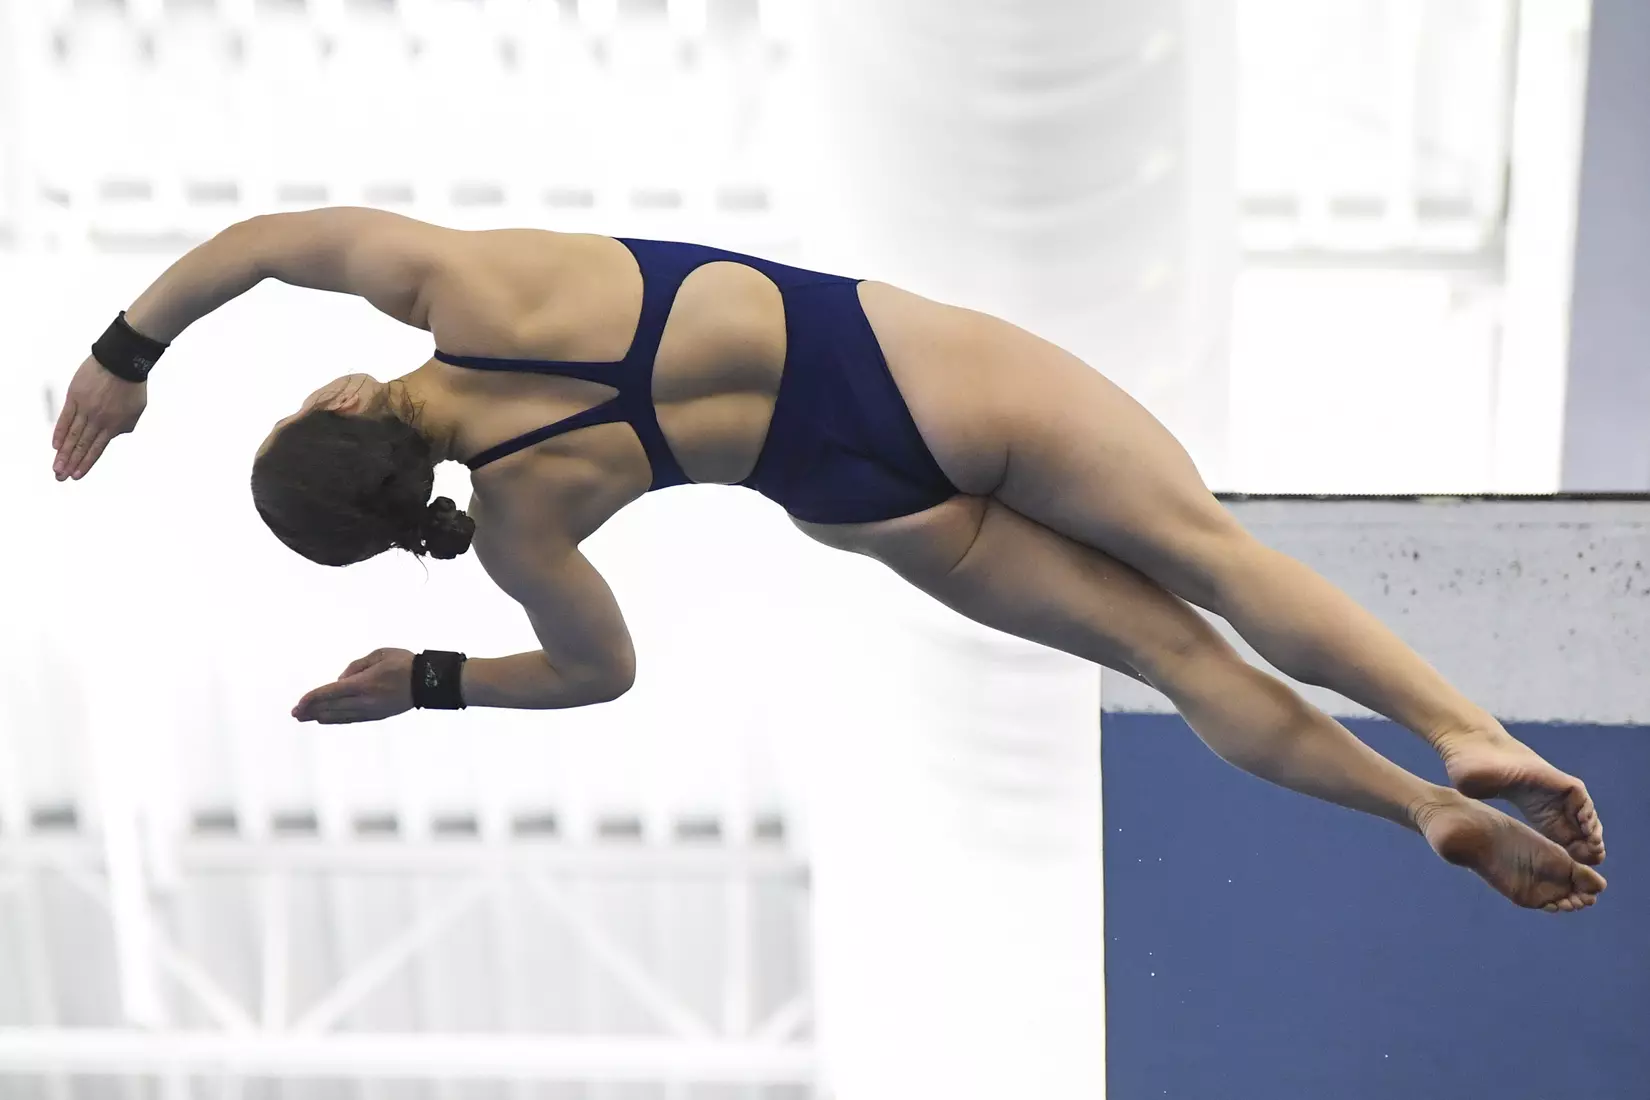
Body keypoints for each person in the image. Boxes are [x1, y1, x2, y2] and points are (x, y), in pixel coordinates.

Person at [53, 207, 1606, 913]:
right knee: (1202, 557)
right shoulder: (464, 284)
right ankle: (1459, 734)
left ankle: (1413, 811)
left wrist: (431, 683)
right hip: (916, 375)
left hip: (864, 497)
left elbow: (602, 676)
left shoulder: (526, 524)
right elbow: (260, 243)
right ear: (336, 396)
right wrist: (128, 355)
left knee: (1172, 661)